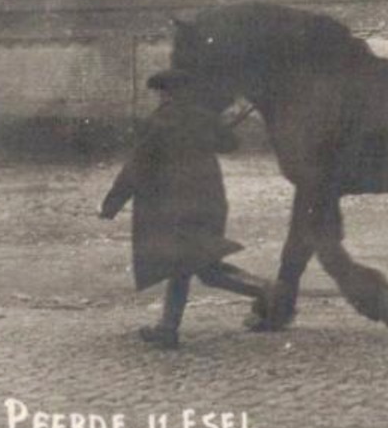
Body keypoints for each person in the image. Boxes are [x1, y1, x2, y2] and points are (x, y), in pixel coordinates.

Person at [99, 69, 266, 348]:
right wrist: (217, 127)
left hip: (177, 208)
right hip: (210, 204)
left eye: (159, 93)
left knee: (189, 266)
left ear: (166, 93)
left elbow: (137, 167)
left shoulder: (160, 121)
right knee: (198, 267)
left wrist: (111, 203)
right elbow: (230, 144)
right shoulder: (202, 118)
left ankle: (269, 294)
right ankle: (170, 327)